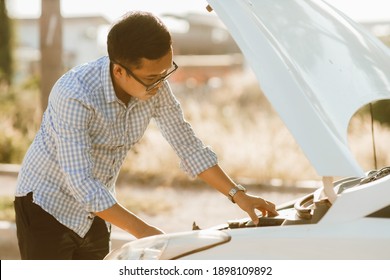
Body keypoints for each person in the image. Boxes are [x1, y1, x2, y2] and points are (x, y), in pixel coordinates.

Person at [14, 11, 278, 260]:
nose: (161, 83)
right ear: (119, 71)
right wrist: (146, 233)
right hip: (46, 206)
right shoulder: (74, 93)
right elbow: (82, 183)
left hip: (97, 211)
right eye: (153, 77)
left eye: (166, 73)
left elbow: (188, 146)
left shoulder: (155, 87)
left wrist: (238, 195)